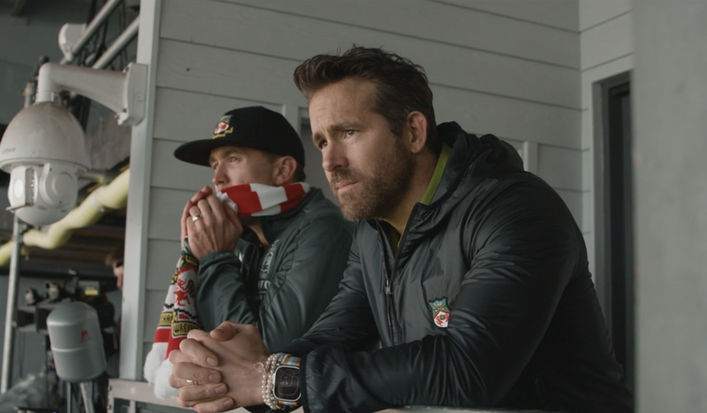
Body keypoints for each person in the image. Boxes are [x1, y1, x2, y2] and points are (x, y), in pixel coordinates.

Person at [167, 47, 634, 413]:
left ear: (413, 132)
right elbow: (332, 337)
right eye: (322, 141)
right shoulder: (373, 231)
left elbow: (468, 371)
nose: (329, 161)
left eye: (348, 133)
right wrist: (234, 371)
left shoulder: (515, 208)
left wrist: (272, 380)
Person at [173, 106, 354, 352]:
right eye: (214, 165)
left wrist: (215, 258)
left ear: (282, 171)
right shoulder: (240, 238)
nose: (218, 178)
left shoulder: (323, 230)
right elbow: (207, 338)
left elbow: (261, 352)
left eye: (232, 159)